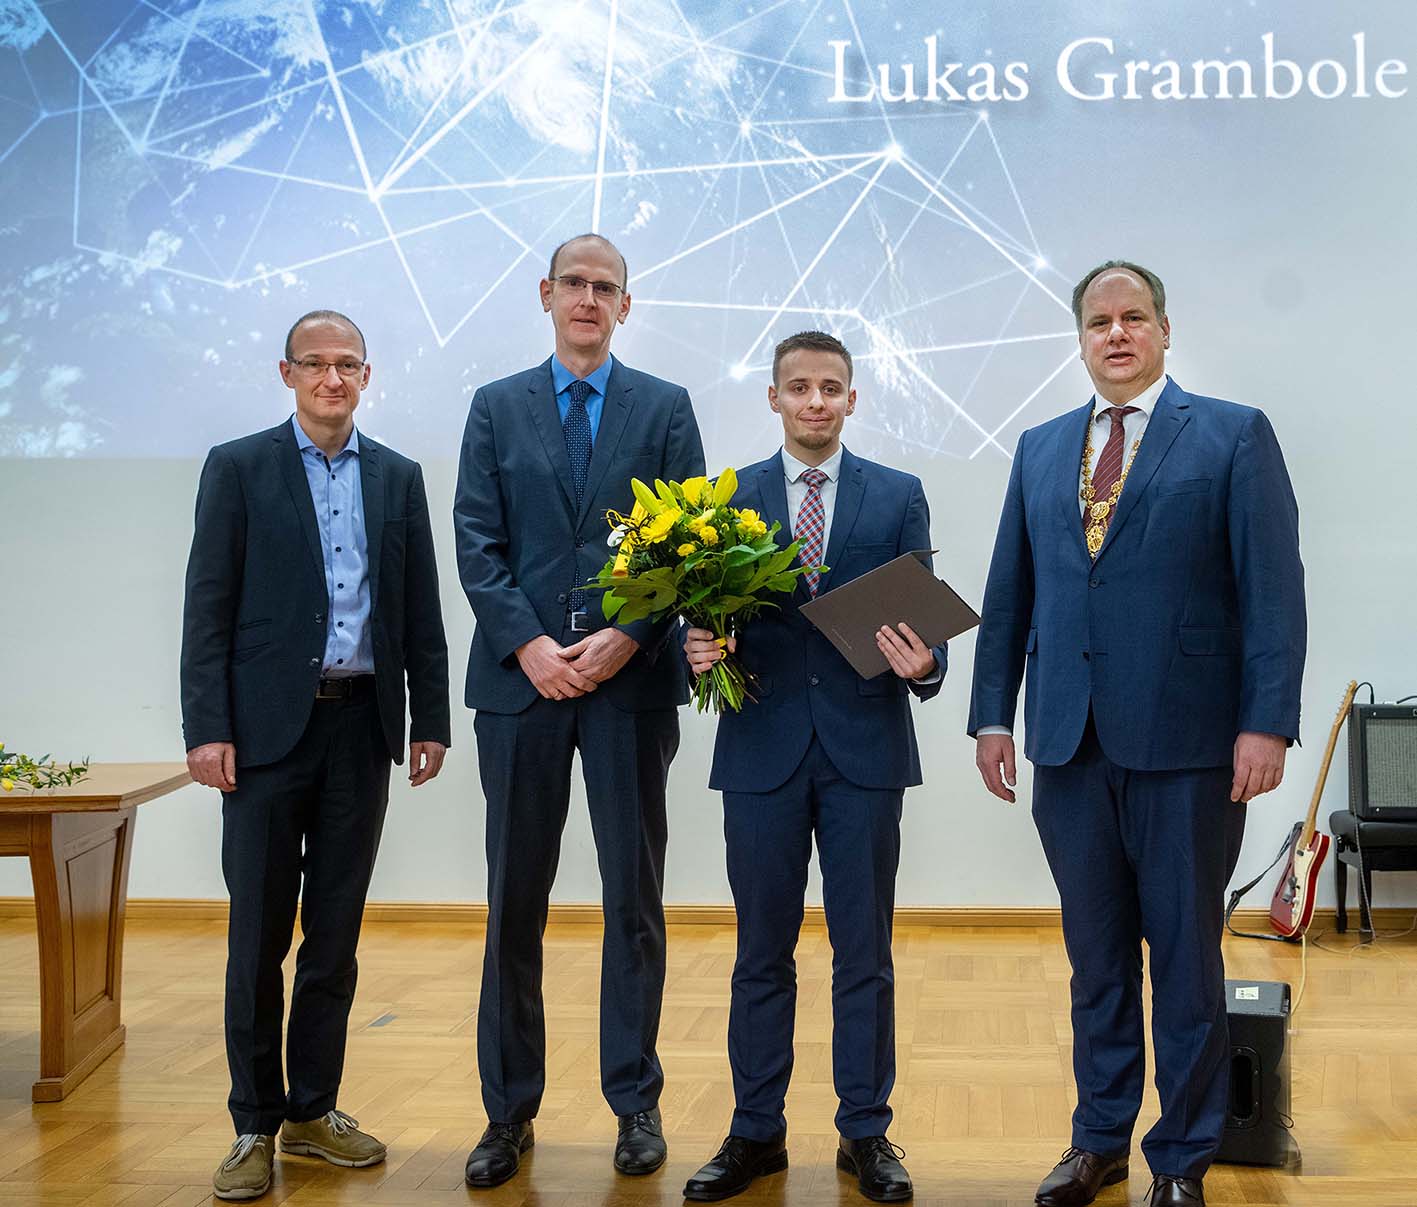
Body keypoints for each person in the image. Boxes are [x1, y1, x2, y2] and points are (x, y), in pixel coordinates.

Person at [969, 262, 1306, 1207]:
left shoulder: (1232, 435)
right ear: (1079, 338)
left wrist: (1265, 723)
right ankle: (1097, 1138)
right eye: (1097, 321)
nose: (1115, 333)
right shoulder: (1039, 448)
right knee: (1097, 958)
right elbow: (1010, 595)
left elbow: (1273, 593)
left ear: (1164, 329)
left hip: (1191, 750)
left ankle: (1183, 1157)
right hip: (1067, 746)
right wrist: (993, 711)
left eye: (1133, 318)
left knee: (1186, 961)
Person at [180, 309, 451, 1201]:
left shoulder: (399, 477)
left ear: (367, 377)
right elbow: (207, 609)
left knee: (333, 937)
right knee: (258, 933)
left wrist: (429, 719)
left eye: (348, 366)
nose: (333, 379)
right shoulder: (239, 466)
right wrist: (206, 726)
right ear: (287, 372)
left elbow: (418, 612)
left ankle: (311, 1109)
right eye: (316, 364)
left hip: (360, 730)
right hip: (260, 738)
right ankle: (252, 1123)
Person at [453, 233, 705, 1188]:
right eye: (574, 285)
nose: (588, 299)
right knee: (514, 898)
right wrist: (528, 644)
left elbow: (686, 539)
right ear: (546, 295)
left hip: (626, 686)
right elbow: (477, 540)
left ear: (625, 306)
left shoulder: (665, 408)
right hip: (520, 687)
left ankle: (633, 1102)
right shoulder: (494, 406)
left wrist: (626, 637)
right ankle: (507, 1111)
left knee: (630, 899)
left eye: (606, 287)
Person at [681, 331, 946, 1204]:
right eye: (799, 387)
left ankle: (864, 1129)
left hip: (864, 754)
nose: (815, 402)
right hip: (759, 753)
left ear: (851, 399)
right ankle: (754, 1129)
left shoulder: (898, 495)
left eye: (831, 387)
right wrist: (694, 647)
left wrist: (926, 665)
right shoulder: (724, 502)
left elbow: (924, 632)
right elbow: (696, 620)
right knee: (761, 952)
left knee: (862, 952)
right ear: (773, 398)